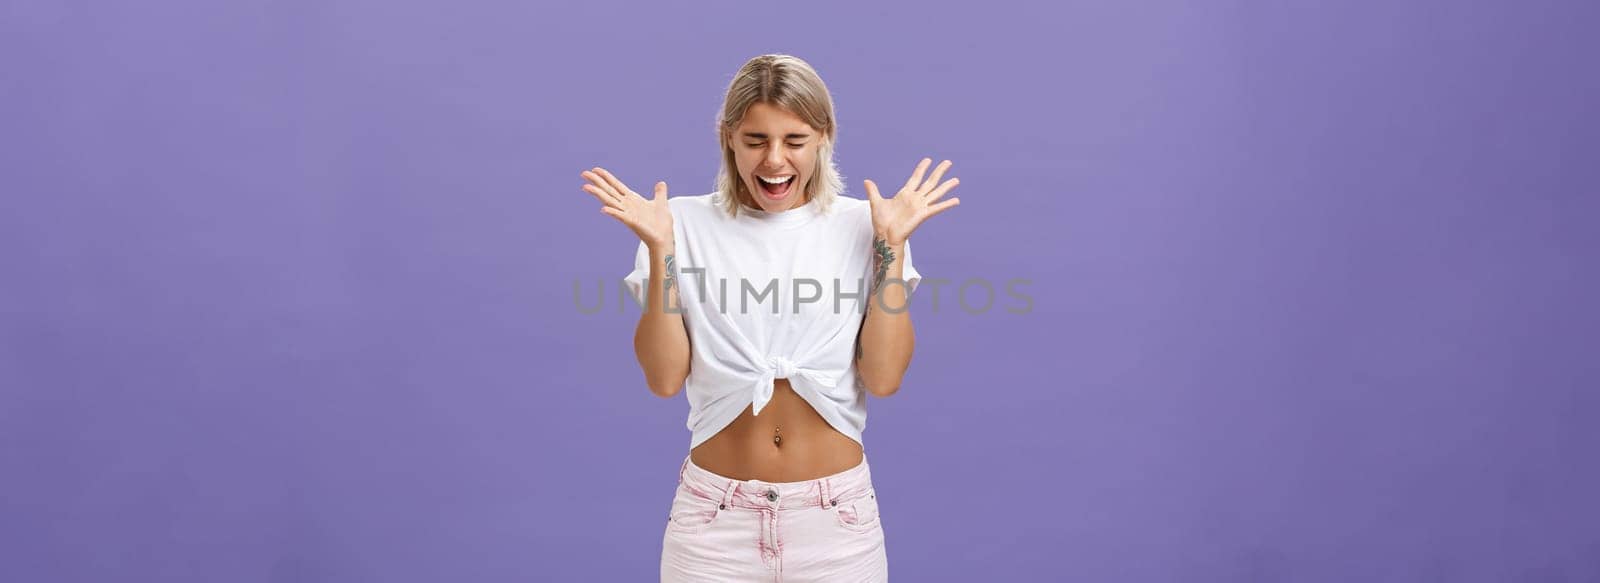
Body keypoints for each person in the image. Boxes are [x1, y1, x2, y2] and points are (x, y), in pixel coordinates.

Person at [579, 54, 960, 582]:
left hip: (836, 524)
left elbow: (884, 378)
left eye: (795, 141)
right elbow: (665, 379)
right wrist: (662, 249)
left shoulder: (866, 224)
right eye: (755, 141)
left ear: (824, 137)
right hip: (713, 525)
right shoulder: (677, 224)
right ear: (728, 137)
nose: (774, 160)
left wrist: (891, 246)